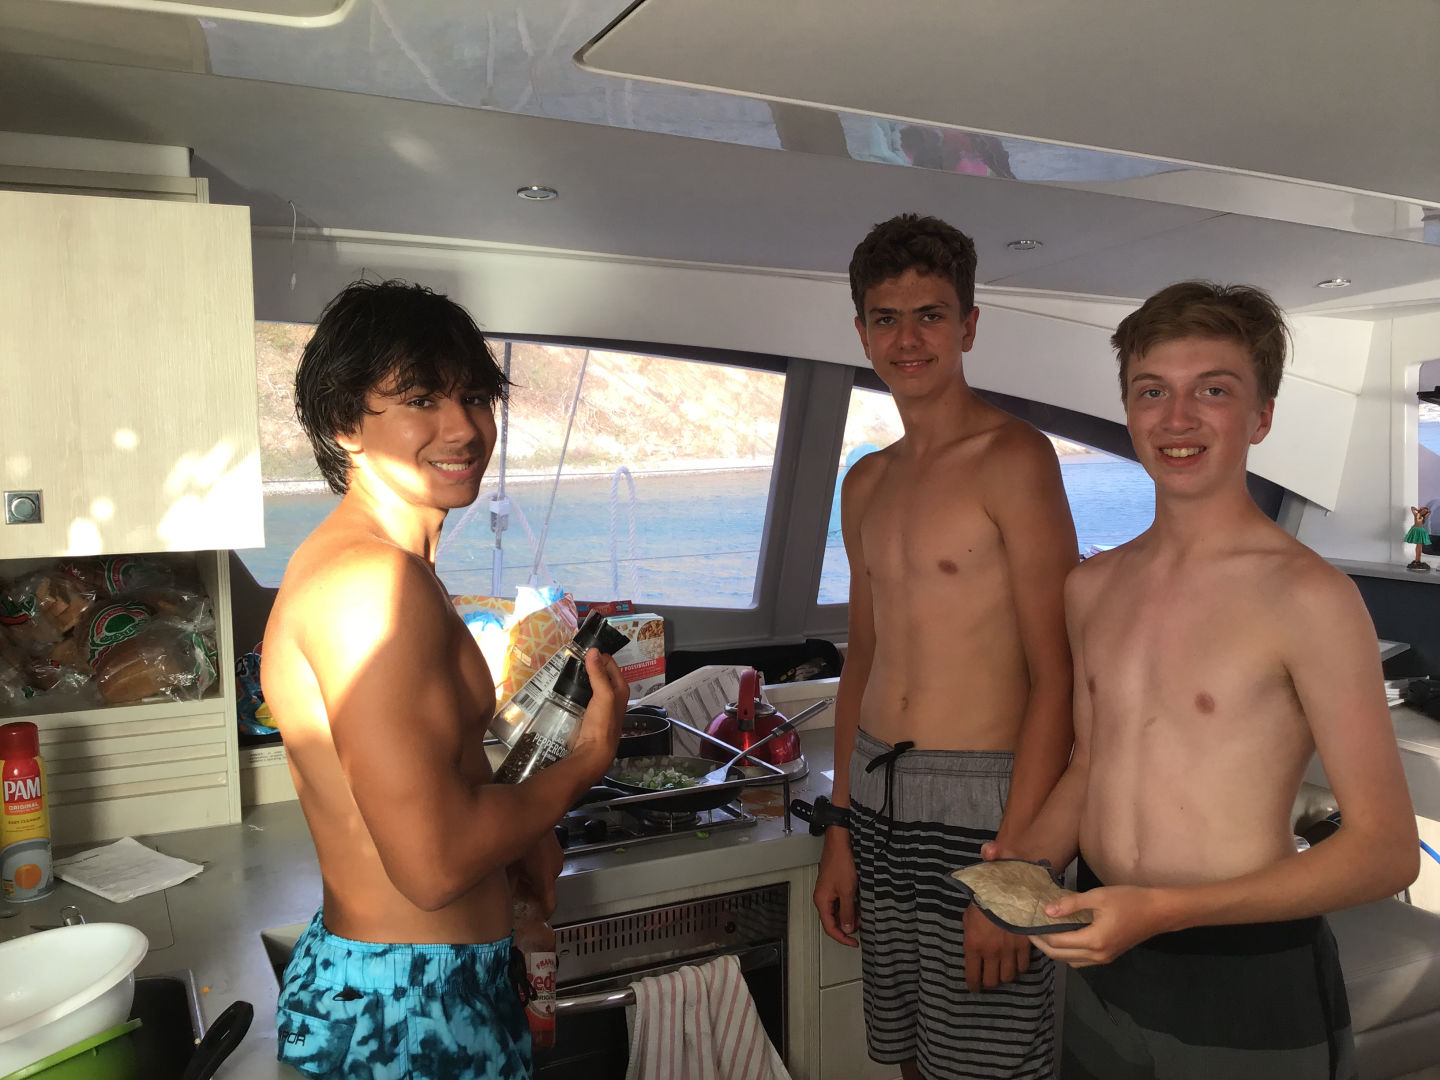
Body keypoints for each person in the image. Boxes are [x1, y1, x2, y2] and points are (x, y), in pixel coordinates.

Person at [1017, 281, 1420, 1080]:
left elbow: (1386, 851)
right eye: (1152, 391)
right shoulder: (1090, 588)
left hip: (1246, 973)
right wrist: (1021, 871)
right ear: (1128, 411)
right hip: (1105, 956)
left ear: (1260, 417)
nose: (1177, 418)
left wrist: (1163, 911)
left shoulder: (1310, 597)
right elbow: (1092, 764)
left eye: (1213, 391)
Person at [261, 279, 628, 1080]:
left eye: (475, 397)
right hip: (410, 1005)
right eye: (422, 400)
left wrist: (524, 835)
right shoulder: (368, 586)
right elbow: (432, 865)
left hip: (418, 984)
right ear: (344, 424)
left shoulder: (396, 570)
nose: (464, 428)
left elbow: (435, 788)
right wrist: (584, 764)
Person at [813, 213, 1078, 1080]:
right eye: (886, 319)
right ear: (862, 332)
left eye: (930, 315)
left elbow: (1057, 675)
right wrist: (841, 829)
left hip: (985, 805)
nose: (908, 339)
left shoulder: (1015, 458)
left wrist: (1019, 872)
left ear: (968, 326)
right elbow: (861, 659)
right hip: (878, 795)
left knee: (988, 1062)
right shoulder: (866, 481)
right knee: (910, 1059)